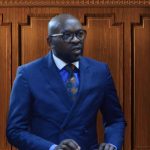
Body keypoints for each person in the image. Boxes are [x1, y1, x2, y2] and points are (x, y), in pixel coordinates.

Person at [6, 14, 126, 150]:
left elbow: (115, 120)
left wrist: (112, 145)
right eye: (67, 35)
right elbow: (15, 130)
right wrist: (52, 148)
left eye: (80, 34)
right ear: (50, 42)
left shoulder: (100, 71)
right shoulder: (28, 74)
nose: (76, 40)